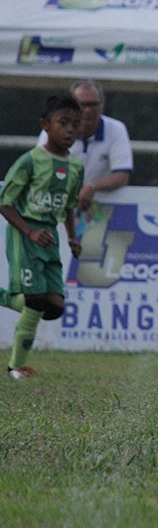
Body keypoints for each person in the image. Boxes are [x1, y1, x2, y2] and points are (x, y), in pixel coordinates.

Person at [1, 95, 84, 379]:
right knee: (35, 300)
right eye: (63, 123)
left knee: (54, 307)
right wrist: (30, 231)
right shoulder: (30, 161)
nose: (70, 130)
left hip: (50, 238)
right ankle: (16, 367)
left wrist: (73, 238)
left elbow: (70, 204)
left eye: (76, 124)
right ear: (45, 125)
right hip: (25, 234)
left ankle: (3, 298)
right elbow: (5, 202)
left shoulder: (76, 167)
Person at [37, 80, 133, 214]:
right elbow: (41, 172)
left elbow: (122, 175)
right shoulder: (52, 130)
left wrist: (91, 187)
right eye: (81, 104)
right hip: (57, 206)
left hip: (101, 210)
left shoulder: (116, 129)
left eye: (93, 104)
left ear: (102, 106)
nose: (87, 110)